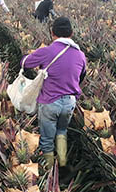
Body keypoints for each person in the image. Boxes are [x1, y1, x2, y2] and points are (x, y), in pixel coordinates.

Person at [20, 17, 87, 168]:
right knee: (62, 131)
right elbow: (81, 76)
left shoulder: (48, 51)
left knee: (46, 139)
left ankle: (51, 172)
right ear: (71, 33)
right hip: (69, 103)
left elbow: (25, 63)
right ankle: (62, 164)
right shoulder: (80, 55)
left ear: (52, 33)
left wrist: (29, 55)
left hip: (50, 102)